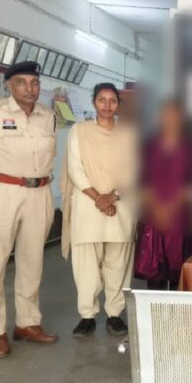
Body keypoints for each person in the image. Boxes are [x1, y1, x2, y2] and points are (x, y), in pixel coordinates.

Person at [0, 61, 58, 358]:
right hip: (2, 192)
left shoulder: (48, 116)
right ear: (9, 85)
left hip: (40, 192)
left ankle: (27, 323)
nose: (30, 89)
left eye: (34, 82)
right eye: (22, 82)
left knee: (32, 261)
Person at [61, 83, 137, 338]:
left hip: (122, 203)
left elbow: (134, 170)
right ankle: (87, 316)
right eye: (102, 100)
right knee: (86, 264)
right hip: (88, 204)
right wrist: (99, 198)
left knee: (118, 262)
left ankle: (115, 314)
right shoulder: (79, 131)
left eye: (112, 100)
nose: (107, 105)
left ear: (119, 104)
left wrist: (112, 196)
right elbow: (75, 167)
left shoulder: (129, 134)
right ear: (94, 102)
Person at [134, 100, 192, 291]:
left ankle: (177, 310)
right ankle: (156, 310)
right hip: (154, 216)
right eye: (166, 114)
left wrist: (171, 208)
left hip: (182, 216)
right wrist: (157, 208)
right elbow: (142, 180)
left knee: (181, 274)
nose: (171, 119)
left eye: (175, 114)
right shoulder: (148, 146)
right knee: (155, 275)